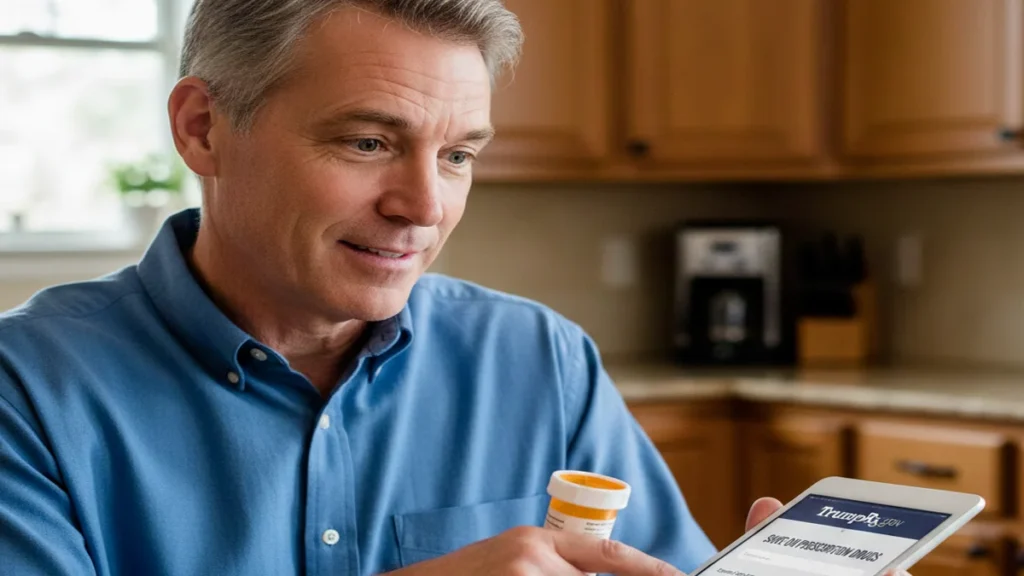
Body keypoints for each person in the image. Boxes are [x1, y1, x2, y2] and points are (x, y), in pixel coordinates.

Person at [0, 1, 911, 575]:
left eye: (459, 154)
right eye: (366, 141)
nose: (424, 206)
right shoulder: (28, 390)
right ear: (203, 129)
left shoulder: (540, 359)